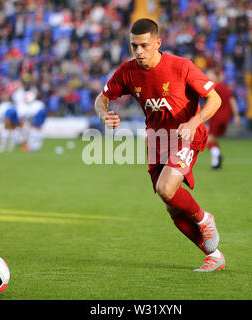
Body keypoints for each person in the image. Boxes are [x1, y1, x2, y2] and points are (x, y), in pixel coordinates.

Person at [94, 18, 225, 272]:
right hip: (157, 140)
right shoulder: (128, 71)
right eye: (134, 46)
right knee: (171, 205)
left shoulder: (181, 67)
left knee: (166, 189)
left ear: (158, 43)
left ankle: (204, 218)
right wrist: (103, 115)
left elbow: (215, 99)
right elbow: (102, 97)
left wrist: (194, 121)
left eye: (144, 45)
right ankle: (214, 256)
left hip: (187, 134)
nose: (139, 51)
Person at [206, 68, 240, 169]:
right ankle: (215, 163)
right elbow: (232, 101)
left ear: (216, 77)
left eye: (210, 75)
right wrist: (236, 116)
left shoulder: (213, 88)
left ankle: (217, 155)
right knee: (214, 139)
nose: (208, 77)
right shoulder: (225, 88)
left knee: (208, 139)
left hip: (217, 117)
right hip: (226, 118)